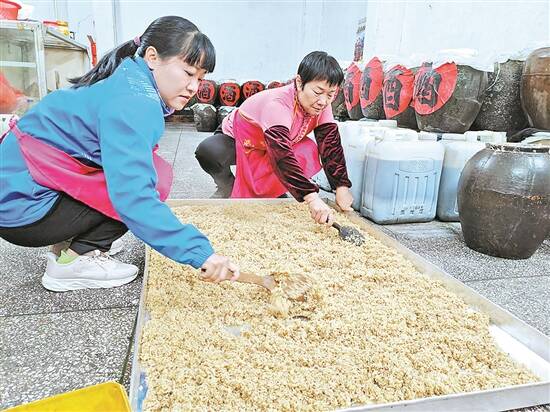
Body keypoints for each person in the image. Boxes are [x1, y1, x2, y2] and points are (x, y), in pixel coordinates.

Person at [0, 16, 239, 292]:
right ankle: (74, 263)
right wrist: (199, 253)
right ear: (152, 57)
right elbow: (134, 197)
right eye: (188, 73)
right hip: (21, 207)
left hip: (20, 184)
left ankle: (75, 240)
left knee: (145, 169)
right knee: (154, 180)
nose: (194, 87)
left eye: (201, 78)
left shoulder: (127, 75)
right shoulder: (135, 103)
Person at [195, 51, 353, 226]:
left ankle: (273, 191)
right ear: (299, 82)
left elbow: (330, 145)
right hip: (243, 139)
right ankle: (227, 187)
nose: (323, 101)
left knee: (306, 149)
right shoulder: (278, 103)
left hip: (275, 144)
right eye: (318, 92)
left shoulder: (322, 105)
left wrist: (341, 187)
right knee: (209, 151)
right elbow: (281, 155)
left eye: (330, 94)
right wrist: (311, 198)